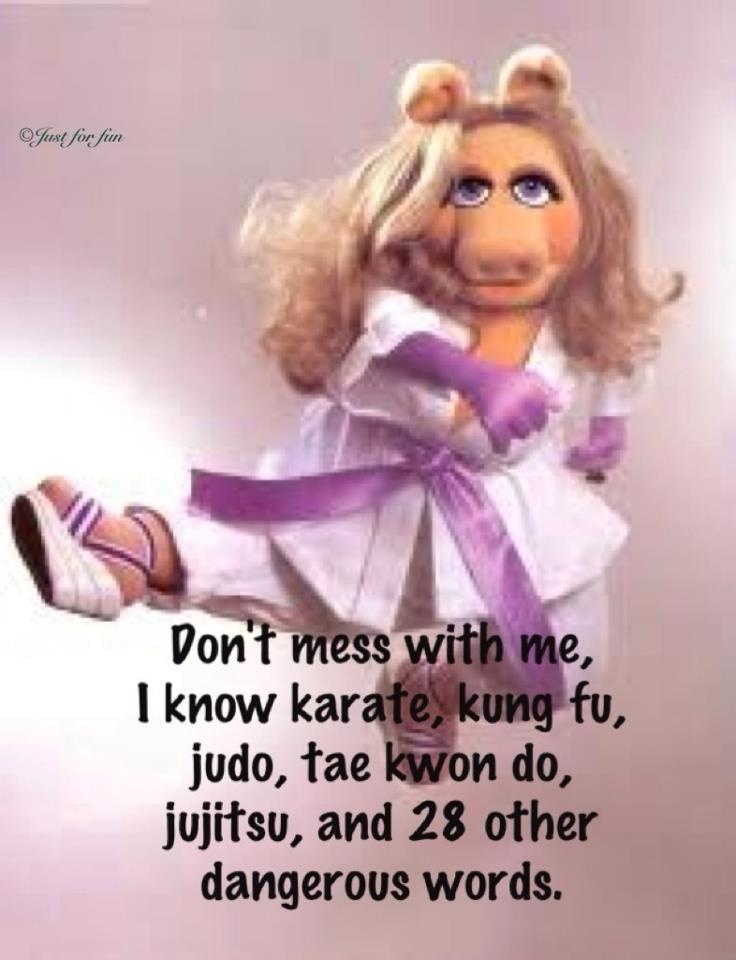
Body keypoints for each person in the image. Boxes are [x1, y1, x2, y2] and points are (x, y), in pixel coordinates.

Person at [11, 46, 681, 782]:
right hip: (373, 495)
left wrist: (609, 424)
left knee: (567, 658)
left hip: (514, 515)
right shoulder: (396, 294)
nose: (501, 221)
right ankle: (126, 551)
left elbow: (618, 352)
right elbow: (395, 335)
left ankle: (437, 678)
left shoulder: (565, 316)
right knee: (272, 563)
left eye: (533, 187)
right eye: (466, 190)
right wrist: (475, 378)